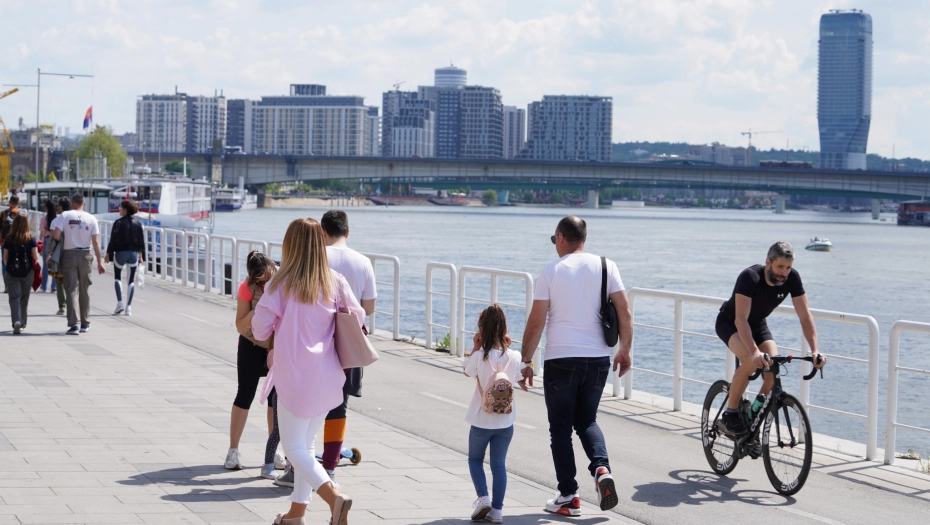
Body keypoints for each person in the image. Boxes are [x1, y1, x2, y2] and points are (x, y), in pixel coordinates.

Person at [519, 216, 633, 516]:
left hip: (561, 359)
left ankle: (569, 496)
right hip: (598, 359)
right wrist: (624, 350)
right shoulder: (607, 266)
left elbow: (536, 321)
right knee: (587, 421)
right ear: (584, 237)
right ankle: (601, 469)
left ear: (560, 237)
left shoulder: (551, 271)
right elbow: (624, 311)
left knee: (560, 429)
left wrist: (526, 361)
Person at [252, 218, 358, 525]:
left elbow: (259, 330)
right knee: (306, 446)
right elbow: (358, 317)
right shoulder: (335, 280)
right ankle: (296, 513)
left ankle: (334, 498)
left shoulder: (280, 283)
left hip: (294, 375)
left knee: (293, 447)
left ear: (290, 245)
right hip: (327, 374)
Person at [715, 241, 826, 435]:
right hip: (730, 323)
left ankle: (751, 419)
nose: (784, 272)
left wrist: (815, 350)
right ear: (768, 262)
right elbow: (741, 319)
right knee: (750, 361)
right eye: (780, 266)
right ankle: (730, 414)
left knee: (772, 371)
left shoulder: (792, 278)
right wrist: (755, 352)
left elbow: (805, 316)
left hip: (758, 325)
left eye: (788, 267)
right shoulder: (750, 277)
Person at [315, 210, 376, 481]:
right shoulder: (363, 262)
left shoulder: (316, 257)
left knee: (309, 401)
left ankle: (298, 462)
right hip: (349, 339)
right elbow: (369, 308)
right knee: (340, 403)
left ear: (322, 232)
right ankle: (330, 466)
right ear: (347, 232)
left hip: (316, 337)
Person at [463, 304, 525, 523]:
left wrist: (475, 346)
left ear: (482, 329)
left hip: (481, 420)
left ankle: (483, 498)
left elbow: (467, 371)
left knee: (475, 460)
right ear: (505, 329)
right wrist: (508, 349)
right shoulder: (515, 356)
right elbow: (518, 376)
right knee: (498, 465)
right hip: (505, 422)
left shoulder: (480, 356)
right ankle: (497, 511)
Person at [226, 250, 284, 480]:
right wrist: (257, 309)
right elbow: (240, 326)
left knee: (275, 400)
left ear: (272, 268)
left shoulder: (283, 278)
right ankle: (233, 451)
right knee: (245, 394)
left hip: (275, 347)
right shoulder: (246, 287)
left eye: (267, 278)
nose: (264, 284)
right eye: (259, 282)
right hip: (250, 345)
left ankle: (273, 452)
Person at [51, 193, 106, 335]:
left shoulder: (65, 215)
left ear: (72, 203)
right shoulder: (91, 218)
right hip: (85, 255)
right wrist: (100, 262)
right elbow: (96, 242)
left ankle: (73, 325)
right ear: (84, 204)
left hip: (69, 255)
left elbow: (56, 235)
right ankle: (85, 323)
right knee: (84, 289)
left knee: (71, 290)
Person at [105, 200, 146, 316]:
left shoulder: (118, 222)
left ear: (125, 210)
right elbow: (141, 242)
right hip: (133, 254)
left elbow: (112, 239)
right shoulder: (138, 224)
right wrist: (141, 256)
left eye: (120, 208)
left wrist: (108, 253)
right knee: (130, 280)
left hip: (120, 253)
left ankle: (120, 303)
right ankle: (129, 307)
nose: (119, 209)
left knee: (118, 278)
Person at [2, 215, 39, 334]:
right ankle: (22, 323)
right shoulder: (31, 238)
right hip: (27, 272)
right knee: (24, 297)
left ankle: (16, 321)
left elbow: (5, 258)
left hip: (12, 272)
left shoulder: (9, 238)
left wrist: (10, 267)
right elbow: (35, 257)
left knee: (14, 298)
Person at [47, 198, 71, 316]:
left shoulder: (56, 221)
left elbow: (54, 239)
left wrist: (48, 254)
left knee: (59, 282)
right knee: (72, 281)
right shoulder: (75, 219)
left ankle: (62, 307)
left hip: (59, 255)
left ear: (61, 207)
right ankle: (72, 305)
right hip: (73, 251)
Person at [1, 195, 25, 292]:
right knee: (18, 262)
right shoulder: (21, 214)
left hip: (5, 242)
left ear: (9, 202)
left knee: (5, 263)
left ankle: (7, 286)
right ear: (18, 203)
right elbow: (24, 229)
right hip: (18, 241)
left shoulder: (3, 214)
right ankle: (16, 284)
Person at [39, 200, 58, 294]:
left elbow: (42, 234)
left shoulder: (44, 219)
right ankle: (54, 287)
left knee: (45, 265)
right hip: (56, 241)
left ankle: (44, 286)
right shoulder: (57, 218)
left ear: (46, 208)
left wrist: (40, 245)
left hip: (46, 241)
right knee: (55, 264)